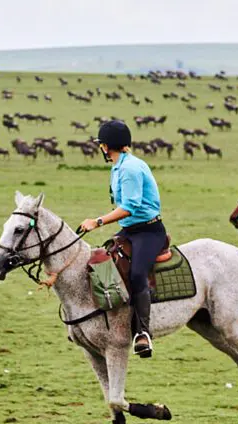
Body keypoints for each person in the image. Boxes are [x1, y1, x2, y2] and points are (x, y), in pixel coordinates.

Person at [78, 119, 164, 358]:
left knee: (137, 274)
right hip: (130, 230)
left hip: (148, 231)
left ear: (106, 146)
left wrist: (97, 222)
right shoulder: (119, 166)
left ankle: (143, 333)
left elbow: (129, 208)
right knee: (102, 262)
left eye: (101, 144)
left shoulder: (129, 169)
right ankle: (111, 320)